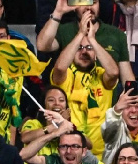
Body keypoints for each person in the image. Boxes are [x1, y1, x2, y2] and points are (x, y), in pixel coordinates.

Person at [51, 16, 121, 155]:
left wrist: (93, 40)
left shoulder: (102, 74)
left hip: (101, 154)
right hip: (71, 151)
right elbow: (59, 68)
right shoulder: (67, 75)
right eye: (79, 48)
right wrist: (80, 34)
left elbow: (113, 72)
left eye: (89, 48)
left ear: (96, 54)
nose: (84, 52)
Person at [38, 0, 134, 84]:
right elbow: (42, 46)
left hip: (105, 98)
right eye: (83, 2)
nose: (89, 7)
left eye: (94, 2)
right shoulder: (64, 30)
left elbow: (127, 76)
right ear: (74, 5)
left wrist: (133, 95)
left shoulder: (116, 34)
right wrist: (58, 12)